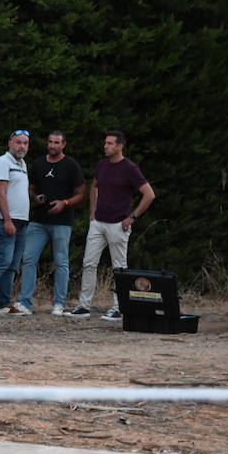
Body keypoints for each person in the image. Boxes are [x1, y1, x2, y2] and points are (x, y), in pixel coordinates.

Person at [68, 130, 155, 320]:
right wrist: (93, 212)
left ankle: (119, 307)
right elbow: (94, 186)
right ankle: (84, 306)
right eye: (105, 143)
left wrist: (132, 217)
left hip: (118, 224)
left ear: (119, 146)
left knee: (119, 267)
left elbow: (149, 194)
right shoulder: (103, 165)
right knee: (89, 263)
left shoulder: (130, 168)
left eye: (109, 143)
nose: (105, 146)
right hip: (98, 223)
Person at [19, 130, 85, 315]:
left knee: (61, 261)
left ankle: (59, 303)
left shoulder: (71, 165)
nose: (53, 145)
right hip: (38, 220)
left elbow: (81, 194)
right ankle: (25, 302)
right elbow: (30, 189)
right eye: (50, 142)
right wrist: (35, 197)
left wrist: (65, 203)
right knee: (29, 259)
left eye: (57, 142)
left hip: (62, 221)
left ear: (64, 144)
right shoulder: (39, 163)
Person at [0, 128, 31, 315]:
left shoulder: (22, 164)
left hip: (22, 220)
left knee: (13, 265)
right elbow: (0, 193)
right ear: (10, 143)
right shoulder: (2, 162)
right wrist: (6, 220)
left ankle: (3, 304)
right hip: (7, 220)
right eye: (18, 142)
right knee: (3, 261)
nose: (22, 146)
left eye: (25, 143)